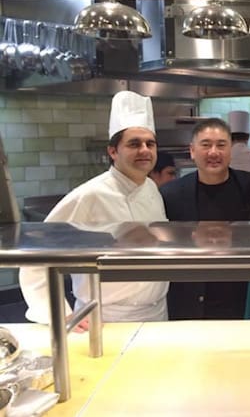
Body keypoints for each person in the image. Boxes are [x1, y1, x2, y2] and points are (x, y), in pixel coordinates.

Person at [19, 91, 169, 328]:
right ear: (112, 151)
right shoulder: (90, 195)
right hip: (103, 318)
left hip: (157, 313)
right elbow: (36, 255)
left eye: (150, 143)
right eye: (134, 144)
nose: (144, 150)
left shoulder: (151, 188)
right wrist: (58, 314)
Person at [160, 118, 250, 320]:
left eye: (221, 145)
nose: (214, 152)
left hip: (239, 297)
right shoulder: (171, 194)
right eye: (206, 145)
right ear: (192, 150)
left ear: (230, 150)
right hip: (187, 300)